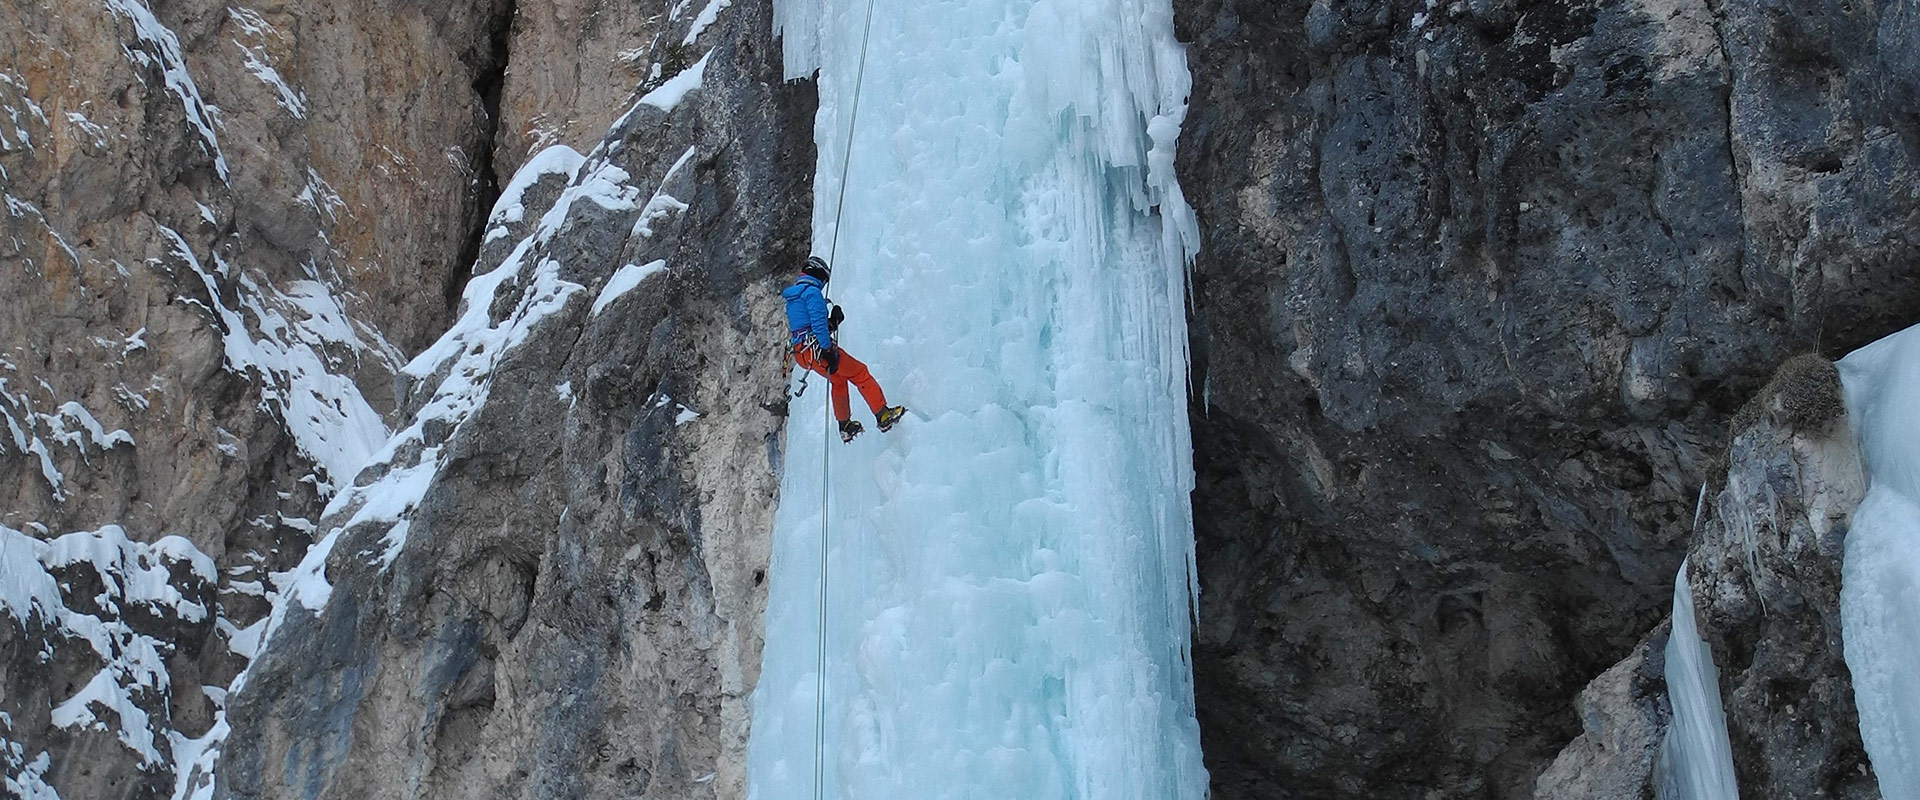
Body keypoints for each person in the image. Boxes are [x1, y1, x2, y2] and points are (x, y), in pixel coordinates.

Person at [783, 256, 907, 442]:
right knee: (860, 372)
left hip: (803, 353)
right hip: (817, 350)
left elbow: (807, 325)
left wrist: (833, 322)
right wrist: (827, 350)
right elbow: (817, 325)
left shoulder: (794, 297)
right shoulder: (811, 293)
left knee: (839, 380)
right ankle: (883, 415)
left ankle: (845, 426)